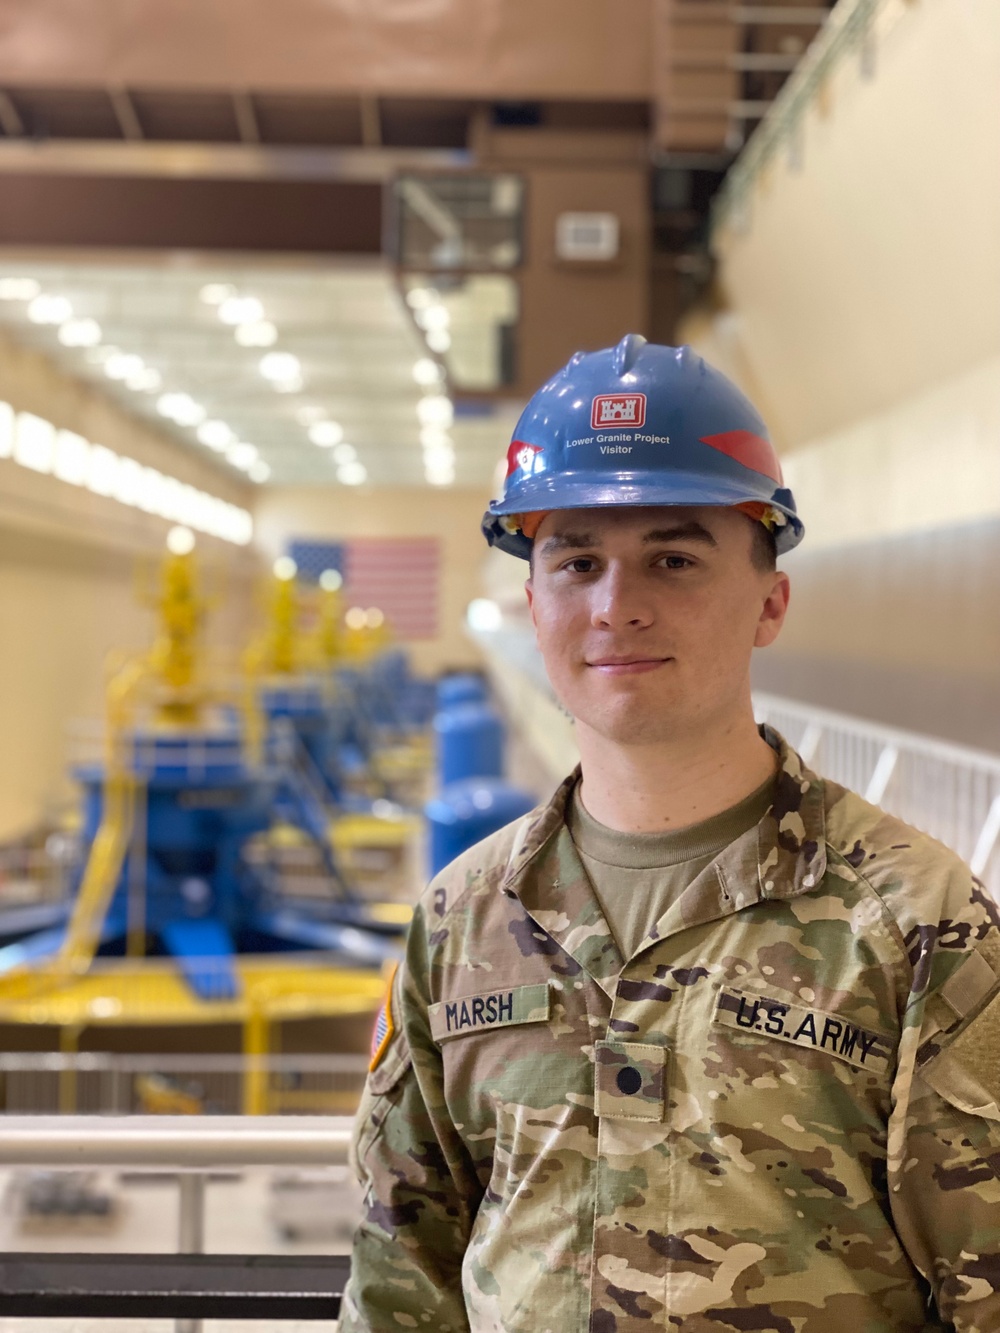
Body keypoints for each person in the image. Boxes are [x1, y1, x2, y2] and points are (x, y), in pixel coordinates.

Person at [340, 335, 1000, 1332]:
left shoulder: (913, 918)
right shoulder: (463, 917)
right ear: (533, 602)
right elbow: (403, 1280)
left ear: (769, 601)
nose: (617, 606)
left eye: (673, 559)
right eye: (576, 562)